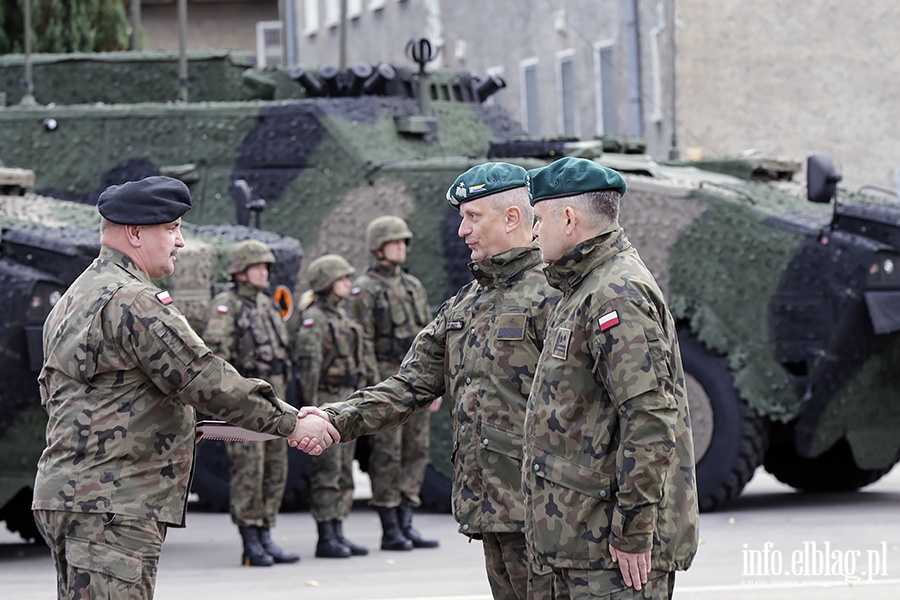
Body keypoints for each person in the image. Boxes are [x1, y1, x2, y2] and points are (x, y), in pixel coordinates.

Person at [32, 175, 338, 600]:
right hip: (114, 502)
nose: (179, 242)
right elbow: (206, 379)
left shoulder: (74, 297)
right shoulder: (134, 300)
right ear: (135, 234)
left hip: (73, 494)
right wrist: (291, 422)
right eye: (172, 229)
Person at [300, 162, 560, 599]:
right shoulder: (465, 305)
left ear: (512, 218)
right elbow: (408, 386)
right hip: (494, 513)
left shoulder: (559, 296)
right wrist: (334, 418)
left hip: (551, 517)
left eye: (472, 217)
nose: (462, 230)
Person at [525, 157, 699, 599]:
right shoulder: (583, 286)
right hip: (584, 540)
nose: (532, 233)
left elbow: (650, 416)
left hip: (611, 553)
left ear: (568, 218)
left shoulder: (614, 292)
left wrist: (634, 530)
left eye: (538, 219)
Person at [343, 215, 438, 551]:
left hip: (416, 381)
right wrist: (372, 388)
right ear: (378, 247)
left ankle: (406, 519)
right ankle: (390, 526)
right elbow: (361, 341)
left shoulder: (412, 286)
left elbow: (429, 338)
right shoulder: (364, 289)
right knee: (387, 454)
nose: (401, 247)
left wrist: (433, 384)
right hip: (385, 379)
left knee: (416, 450)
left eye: (403, 241)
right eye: (394, 241)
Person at [202, 240, 299, 567]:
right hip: (245, 406)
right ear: (240, 271)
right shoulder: (226, 306)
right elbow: (218, 356)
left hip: (275, 402)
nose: (264, 272)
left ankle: (266, 533)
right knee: (249, 470)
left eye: (266, 266)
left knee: (275, 467)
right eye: (258, 266)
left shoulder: (267, 305)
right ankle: (250, 540)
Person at [293, 254, 373, 559]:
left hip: (346, 402)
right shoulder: (316, 319)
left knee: (343, 471)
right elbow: (309, 368)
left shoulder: (344, 317)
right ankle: (326, 536)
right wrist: (311, 408)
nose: (347, 283)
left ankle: (338, 529)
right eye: (341, 279)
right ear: (326, 283)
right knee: (327, 472)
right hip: (326, 403)